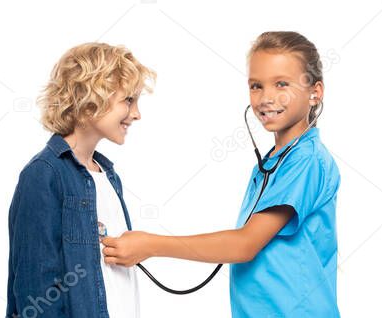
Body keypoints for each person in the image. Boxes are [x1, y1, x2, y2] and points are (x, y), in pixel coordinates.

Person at [102, 31, 341, 317]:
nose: (266, 98)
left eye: (281, 84)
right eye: (256, 86)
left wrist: (150, 245)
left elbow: (244, 245)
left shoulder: (307, 161)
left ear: (315, 92)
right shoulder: (273, 163)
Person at [6, 42, 154, 318]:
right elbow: (36, 292)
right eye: (128, 100)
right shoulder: (43, 175)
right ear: (90, 101)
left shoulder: (108, 175)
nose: (136, 114)